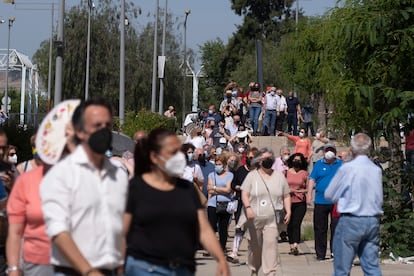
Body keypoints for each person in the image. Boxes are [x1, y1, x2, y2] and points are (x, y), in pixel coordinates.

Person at [123, 128, 230, 276]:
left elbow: (203, 229)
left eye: (178, 152)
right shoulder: (137, 188)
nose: (178, 157)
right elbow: (122, 232)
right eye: (171, 153)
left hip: (182, 268)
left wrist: (220, 259)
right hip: (145, 268)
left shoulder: (187, 189)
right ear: (154, 156)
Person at [40, 98, 129, 276]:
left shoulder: (119, 175)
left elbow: (121, 227)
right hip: (72, 271)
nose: (103, 131)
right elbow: (58, 231)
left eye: (108, 125)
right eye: (97, 125)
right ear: (79, 131)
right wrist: (89, 271)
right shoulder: (61, 174)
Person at [6, 103, 78, 276]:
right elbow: (15, 231)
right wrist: (14, 268)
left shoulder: (86, 178)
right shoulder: (26, 180)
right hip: (38, 264)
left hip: (79, 263)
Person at [325, 133, 383, 276]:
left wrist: (343, 196)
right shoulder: (376, 170)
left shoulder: (347, 168)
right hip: (372, 219)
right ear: (369, 148)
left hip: (351, 219)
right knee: (371, 267)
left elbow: (330, 194)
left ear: (352, 148)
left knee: (342, 269)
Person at [241, 148, 291, 276]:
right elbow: (244, 194)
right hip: (255, 218)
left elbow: (286, 195)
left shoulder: (279, 176)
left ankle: (270, 272)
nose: (267, 161)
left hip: (272, 220)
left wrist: (288, 211)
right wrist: (248, 208)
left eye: (269, 158)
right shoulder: (252, 176)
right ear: (259, 161)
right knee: (255, 248)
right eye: (264, 159)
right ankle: (254, 269)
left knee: (271, 246)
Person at [307, 143, 342, 260]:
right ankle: (320, 253)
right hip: (321, 201)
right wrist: (309, 195)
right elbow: (312, 179)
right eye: (328, 150)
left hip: (336, 202)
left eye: (332, 150)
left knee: (336, 228)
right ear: (324, 152)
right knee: (320, 228)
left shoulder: (340, 164)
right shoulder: (318, 165)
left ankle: (335, 252)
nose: (329, 152)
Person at [227, 147, 258, 263]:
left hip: (255, 204)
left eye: (253, 158)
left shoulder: (259, 172)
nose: (251, 159)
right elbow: (233, 183)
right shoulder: (240, 170)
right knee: (239, 227)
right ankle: (234, 251)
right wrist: (237, 187)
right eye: (249, 158)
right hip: (241, 202)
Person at [206, 154, 234, 253]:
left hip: (225, 204)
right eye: (216, 164)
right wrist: (217, 189)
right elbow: (209, 189)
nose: (217, 166)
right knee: (212, 226)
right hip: (213, 204)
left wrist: (215, 188)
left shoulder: (230, 175)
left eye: (219, 164)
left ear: (224, 165)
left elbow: (228, 190)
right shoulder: (211, 175)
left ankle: (222, 247)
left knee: (223, 227)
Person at [286, 153, 308, 256]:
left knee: (296, 223)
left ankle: (296, 245)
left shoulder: (304, 173)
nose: (296, 162)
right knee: (289, 224)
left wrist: (299, 191)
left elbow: (308, 188)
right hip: (287, 202)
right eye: (295, 160)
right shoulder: (286, 172)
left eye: (299, 160)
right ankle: (291, 244)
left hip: (300, 202)